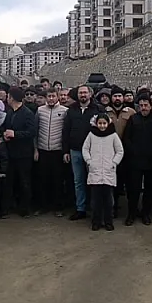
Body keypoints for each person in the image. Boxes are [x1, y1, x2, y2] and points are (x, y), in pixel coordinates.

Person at [121, 96, 152, 226]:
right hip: (135, 161)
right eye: (141, 105)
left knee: (149, 189)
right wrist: (133, 151)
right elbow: (126, 138)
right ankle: (132, 214)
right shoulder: (133, 119)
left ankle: (146, 213)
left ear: (151, 106)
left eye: (146, 105)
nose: (143, 108)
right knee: (134, 189)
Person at [62, 85, 98, 221]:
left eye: (85, 92)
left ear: (90, 94)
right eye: (80, 93)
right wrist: (65, 150)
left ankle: (94, 209)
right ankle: (80, 208)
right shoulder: (71, 110)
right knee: (78, 181)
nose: (83, 95)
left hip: (92, 152)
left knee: (93, 181)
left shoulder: (97, 109)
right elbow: (66, 130)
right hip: (75, 150)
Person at [82, 112, 123, 232]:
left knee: (108, 200)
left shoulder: (113, 135)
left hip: (108, 172)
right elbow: (85, 149)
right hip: (95, 172)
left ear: (108, 123)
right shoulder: (91, 135)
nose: (102, 126)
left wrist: (114, 163)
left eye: (104, 123)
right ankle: (96, 222)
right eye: (100, 123)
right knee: (95, 201)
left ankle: (108, 221)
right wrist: (89, 161)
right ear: (96, 123)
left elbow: (120, 151)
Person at [0, 87, 37, 217]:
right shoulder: (10, 112)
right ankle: (7, 207)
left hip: (24, 154)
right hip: (10, 153)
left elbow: (31, 132)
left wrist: (15, 134)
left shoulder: (27, 113)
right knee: (9, 181)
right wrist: (4, 134)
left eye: (8, 96)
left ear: (12, 98)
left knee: (24, 182)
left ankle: (25, 208)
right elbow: (4, 127)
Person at [34, 89, 67, 216]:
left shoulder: (64, 111)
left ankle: (58, 207)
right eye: (49, 96)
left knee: (57, 180)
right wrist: (35, 149)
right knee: (43, 180)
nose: (51, 98)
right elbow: (35, 131)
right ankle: (43, 206)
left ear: (57, 97)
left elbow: (66, 131)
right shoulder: (40, 110)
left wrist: (65, 151)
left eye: (53, 96)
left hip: (57, 150)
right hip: (43, 150)